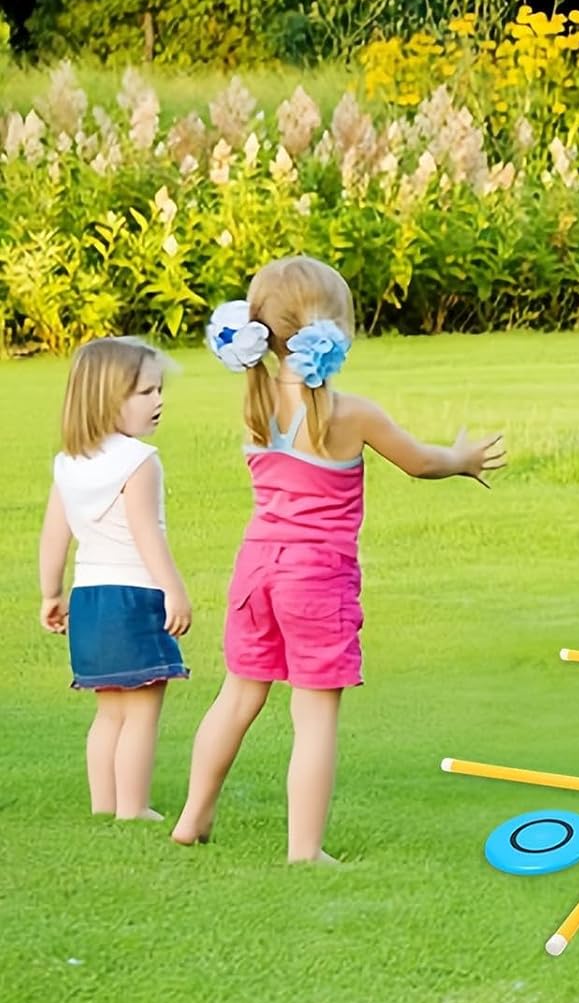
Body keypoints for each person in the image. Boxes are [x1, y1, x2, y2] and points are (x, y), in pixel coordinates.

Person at [171, 256, 505, 861]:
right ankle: (304, 850)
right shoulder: (352, 414)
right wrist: (463, 459)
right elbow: (420, 462)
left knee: (238, 696)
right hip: (316, 579)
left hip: (255, 569)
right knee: (315, 715)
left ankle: (193, 818)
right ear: (335, 332)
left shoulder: (255, 404)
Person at [40, 337, 192, 819]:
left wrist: (50, 593)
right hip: (134, 597)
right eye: (145, 392)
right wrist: (174, 590)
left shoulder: (69, 463)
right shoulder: (138, 461)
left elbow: (54, 534)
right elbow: (147, 535)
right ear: (107, 399)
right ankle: (133, 808)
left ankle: (104, 806)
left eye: (159, 389)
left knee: (108, 712)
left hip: (89, 599)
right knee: (142, 712)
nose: (158, 400)